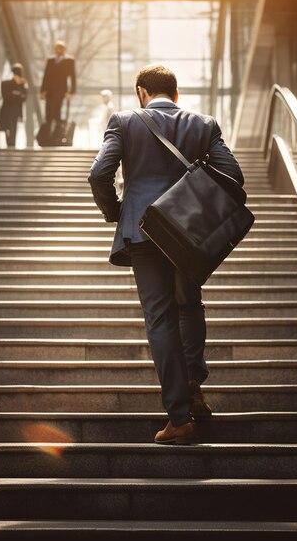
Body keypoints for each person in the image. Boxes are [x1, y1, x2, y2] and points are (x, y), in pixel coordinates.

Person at [88, 64, 244, 445]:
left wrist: (116, 211)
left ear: (142, 91)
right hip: (189, 233)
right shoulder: (203, 124)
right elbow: (234, 177)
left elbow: (99, 174)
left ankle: (179, 417)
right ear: (175, 94)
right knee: (189, 306)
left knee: (159, 318)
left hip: (142, 231)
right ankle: (193, 385)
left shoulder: (124, 121)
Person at [40, 40, 76, 131]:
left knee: (58, 111)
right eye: (56, 49)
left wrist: (71, 92)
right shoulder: (50, 60)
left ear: (64, 50)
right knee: (48, 111)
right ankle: (48, 133)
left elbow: (73, 77)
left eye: (60, 49)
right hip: (50, 91)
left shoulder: (69, 61)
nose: (58, 50)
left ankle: (58, 132)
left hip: (62, 91)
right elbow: (46, 76)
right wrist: (42, 91)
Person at [0, 63, 28, 148]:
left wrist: (16, 92)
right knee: (8, 130)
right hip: (7, 110)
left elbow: (23, 97)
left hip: (15, 111)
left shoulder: (22, 85)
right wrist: (17, 94)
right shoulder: (5, 84)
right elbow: (6, 96)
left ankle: (11, 146)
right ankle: (10, 146)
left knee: (13, 130)